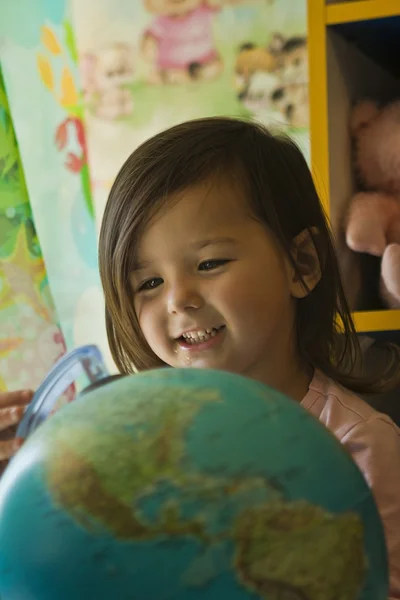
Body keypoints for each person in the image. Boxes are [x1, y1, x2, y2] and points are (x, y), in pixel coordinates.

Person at [3, 117, 400, 595]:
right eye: (149, 283)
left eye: (209, 264)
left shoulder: (359, 445)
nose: (178, 299)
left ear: (303, 264)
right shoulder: (132, 442)